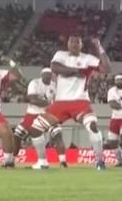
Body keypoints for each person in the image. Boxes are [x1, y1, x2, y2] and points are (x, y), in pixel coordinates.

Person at [27, 35, 111, 170]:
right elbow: (55, 68)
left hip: (80, 101)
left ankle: (99, 161)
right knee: (35, 129)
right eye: (72, 41)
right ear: (67, 44)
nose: (74, 44)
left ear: (81, 45)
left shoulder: (87, 58)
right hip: (60, 102)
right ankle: (42, 162)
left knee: (93, 126)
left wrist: (99, 47)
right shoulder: (60, 55)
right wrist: (77, 71)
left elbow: (106, 69)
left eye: (77, 42)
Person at [14, 68, 68, 168]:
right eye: (46, 74)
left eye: (50, 75)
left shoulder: (55, 86)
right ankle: (11, 160)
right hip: (32, 113)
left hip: (48, 114)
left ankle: (63, 162)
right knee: (17, 135)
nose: (48, 76)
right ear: (41, 75)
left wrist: (50, 104)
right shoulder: (34, 83)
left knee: (57, 135)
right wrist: (49, 103)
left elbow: (59, 102)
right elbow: (32, 100)